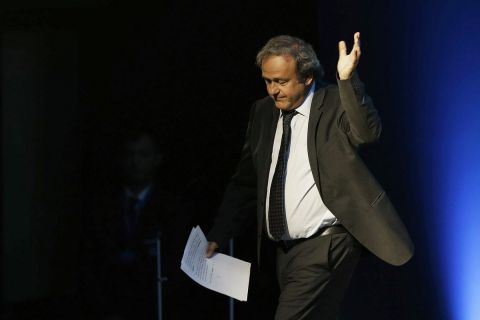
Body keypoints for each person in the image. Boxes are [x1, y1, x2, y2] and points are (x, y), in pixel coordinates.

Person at [205, 33, 414, 319]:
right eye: (267, 80)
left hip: (326, 244)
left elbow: (367, 133)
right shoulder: (263, 112)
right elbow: (246, 181)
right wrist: (220, 233)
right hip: (283, 252)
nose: (273, 90)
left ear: (306, 77)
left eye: (281, 81)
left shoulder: (333, 101)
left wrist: (347, 80)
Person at [80, 128, 193, 320]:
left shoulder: (173, 209)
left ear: (157, 159)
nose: (135, 162)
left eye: (143, 154)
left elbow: (176, 266)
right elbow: (90, 262)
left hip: (157, 307)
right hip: (108, 308)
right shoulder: (101, 206)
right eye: (129, 154)